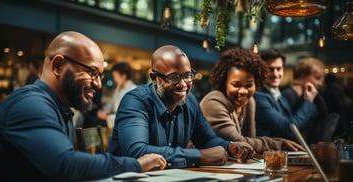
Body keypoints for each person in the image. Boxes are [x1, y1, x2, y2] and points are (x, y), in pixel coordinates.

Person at [0, 31, 166, 181]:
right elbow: (66, 164)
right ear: (58, 66)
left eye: (100, 76)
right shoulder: (30, 103)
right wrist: (137, 164)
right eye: (92, 72)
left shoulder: (59, 108)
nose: (97, 85)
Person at [109, 45, 255, 169]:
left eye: (187, 75)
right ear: (154, 78)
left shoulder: (190, 101)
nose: (183, 84)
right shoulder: (135, 101)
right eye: (173, 78)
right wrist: (200, 156)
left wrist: (229, 146)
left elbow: (206, 140)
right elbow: (136, 151)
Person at [200, 47, 305, 154]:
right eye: (236, 85)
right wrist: (279, 144)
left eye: (249, 85)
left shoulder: (250, 102)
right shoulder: (214, 101)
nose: (243, 91)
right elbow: (239, 142)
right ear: (224, 82)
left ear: (257, 83)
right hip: (199, 166)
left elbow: (250, 142)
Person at [254, 49, 318, 142]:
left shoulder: (281, 97)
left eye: (279, 69)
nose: (275, 74)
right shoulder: (258, 97)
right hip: (268, 154)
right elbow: (289, 130)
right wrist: (308, 101)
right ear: (261, 72)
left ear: (283, 70)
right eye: (270, 69)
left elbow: (296, 126)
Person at [282, 57, 340, 144]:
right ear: (303, 76)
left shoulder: (314, 96)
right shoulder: (287, 95)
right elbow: (290, 129)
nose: (320, 83)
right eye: (317, 78)